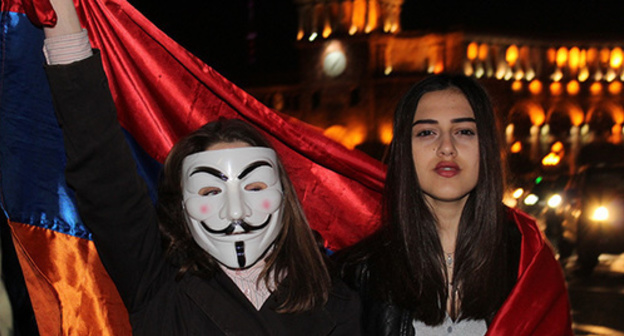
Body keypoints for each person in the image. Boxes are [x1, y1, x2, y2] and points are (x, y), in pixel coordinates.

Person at [40, 0, 360, 334]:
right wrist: (58, 13)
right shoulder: (161, 286)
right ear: (182, 206)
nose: (235, 211)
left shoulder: (336, 300)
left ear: (284, 196)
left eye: (254, 187)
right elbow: (104, 174)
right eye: (209, 190)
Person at [336, 74, 573, 335]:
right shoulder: (357, 273)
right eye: (427, 132)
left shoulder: (529, 264)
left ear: (486, 147)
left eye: (464, 132)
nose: (447, 148)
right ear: (404, 149)